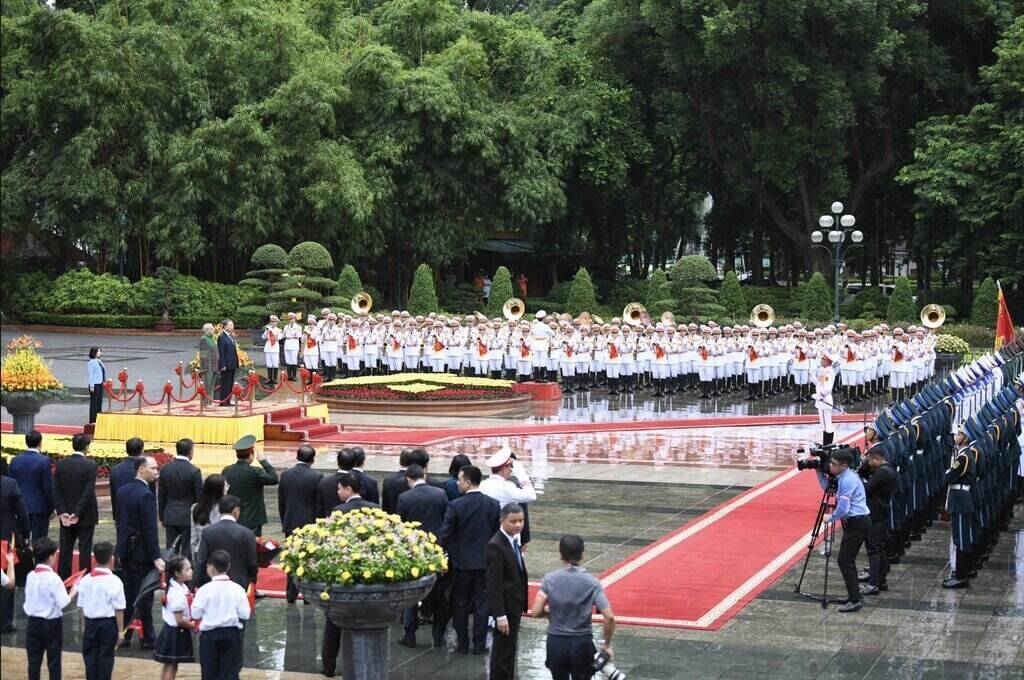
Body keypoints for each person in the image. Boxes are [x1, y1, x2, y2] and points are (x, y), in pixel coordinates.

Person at [530, 535, 616, 680]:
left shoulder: (549, 578)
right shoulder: (592, 582)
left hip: (556, 642)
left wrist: (549, 612)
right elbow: (609, 617)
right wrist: (606, 644)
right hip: (581, 643)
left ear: (561, 555)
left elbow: (535, 611)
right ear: (583, 554)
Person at [320, 473, 381, 676]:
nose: (337, 492)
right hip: (368, 571)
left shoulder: (339, 510)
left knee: (334, 621)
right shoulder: (374, 509)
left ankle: (328, 665)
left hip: (342, 571)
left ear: (348, 489)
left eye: (339, 489)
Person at [439, 465, 500, 655]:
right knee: (482, 604)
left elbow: (445, 534)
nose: (458, 483)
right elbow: (495, 534)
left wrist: (442, 556)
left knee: (460, 603)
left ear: (467, 481)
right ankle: (479, 645)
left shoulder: (456, 505)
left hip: (461, 563)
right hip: (484, 562)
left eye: (460, 479)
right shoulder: (493, 504)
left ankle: (463, 643)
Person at [396, 464, 449, 648]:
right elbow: (445, 520)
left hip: (413, 551)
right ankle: (438, 636)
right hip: (435, 549)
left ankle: (409, 635)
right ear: (424, 475)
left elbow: (400, 526)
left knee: (411, 594)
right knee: (438, 595)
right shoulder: (440, 494)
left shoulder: (404, 497)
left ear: (408, 479)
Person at [115, 456, 164, 648]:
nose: (156, 472)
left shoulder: (122, 491)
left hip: (125, 549)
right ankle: (148, 637)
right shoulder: (146, 495)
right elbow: (149, 530)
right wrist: (156, 557)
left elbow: (120, 521)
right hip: (141, 553)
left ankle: (125, 634)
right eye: (153, 468)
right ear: (141, 469)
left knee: (128, 593)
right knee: (144, 595)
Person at [817, 449, 870, 612]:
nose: (830, 466)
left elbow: (844, 507)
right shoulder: (844, 477)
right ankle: (853, 596)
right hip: (856, 521)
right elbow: (829, 489)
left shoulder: (848, 480)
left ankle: (855, 599)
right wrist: (819, 472)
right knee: (847, 560)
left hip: (857, 521)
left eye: (833, 464)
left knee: (845, 560)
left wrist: (831, 517)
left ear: (844, 465)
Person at [191, 549, 251, 680]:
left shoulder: (204, 590)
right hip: (231, 634)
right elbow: (245, 614)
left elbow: (195, 614)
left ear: (211, 567)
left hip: (209, 636)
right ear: (228, 566)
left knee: (209, 673)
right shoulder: (237, 589)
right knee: (230, 673)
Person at [24, 536, 77, 680]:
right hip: (51, 624)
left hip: (33, 623)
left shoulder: (30, 576)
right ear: (51, 556)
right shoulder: (54, 578)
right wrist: (72, 592)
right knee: (54, 662)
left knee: (33, 662)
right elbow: (63, 602)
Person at [486, 503, 529, 680]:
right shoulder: (496, 545)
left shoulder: (513, 541)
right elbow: (493, 584)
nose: (518, 525)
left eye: (521, 521)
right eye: (513, 521)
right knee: (502, 653)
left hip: (514, 605)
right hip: (505, 608)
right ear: (502, 520)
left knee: (510, 650)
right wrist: (500, 614)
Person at [278, 446, 321, 602]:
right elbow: (318, 503)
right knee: (308, 560)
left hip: (290, 522)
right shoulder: (317, 476)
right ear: (312, 459)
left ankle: (291, 594)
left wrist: (285, 521)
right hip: (310, 524)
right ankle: (308, 597)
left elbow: (281, 502)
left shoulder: (286, 475)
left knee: (292, 560)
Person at [77, 541, 126, 680]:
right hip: (108, 625)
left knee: (90, 659)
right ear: (111, 559)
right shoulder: (115, 581)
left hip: (91, 623)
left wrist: (84, 626)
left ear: (94, 558)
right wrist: (120, 630)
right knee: (106, 659)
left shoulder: (85, 580)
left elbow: (82, 607)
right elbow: (119, 609)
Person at [53, 433, 98, 579]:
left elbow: (56, 489)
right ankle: (84, 581)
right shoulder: (91, 465)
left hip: (65, 515)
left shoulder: (61, 464)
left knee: (65, 550)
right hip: (85, 514)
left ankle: (63, 580)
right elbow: (87, 492)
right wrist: (77, 513)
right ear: (86, 447)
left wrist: (62, 511)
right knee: (85, 550)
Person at [194, 496, 257, 591]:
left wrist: (197, 583)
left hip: (212, 583)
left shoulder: (208, 531)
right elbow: (252, 562)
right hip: (239, 584)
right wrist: (252, 581)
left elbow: (201, 560)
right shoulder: (247, 533)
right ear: (236, 510)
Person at [221, 435, 278, 536]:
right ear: (251, 454)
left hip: (233, 517)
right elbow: (274, 478)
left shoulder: (227, 471)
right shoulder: (255, 472)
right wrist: (263, 461)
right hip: (252, 520)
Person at [858, 447, 896, 596]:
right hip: (881, 512)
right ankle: (880, 580)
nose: (868, 463)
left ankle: (873, 583)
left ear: (876, 459)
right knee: (879, 548)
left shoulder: (882, 472)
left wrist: (859, 475)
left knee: (874, 549)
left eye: (869, 461)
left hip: (876, 514)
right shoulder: (888, 470)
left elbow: (866, 489)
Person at [154, 555, 196, 679]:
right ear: (177, 573)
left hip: (171, 631)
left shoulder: (179, 587)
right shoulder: (177, 593)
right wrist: (193, 626)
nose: (191, 571)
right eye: (187, 569)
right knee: (172, 666)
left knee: (169, 664)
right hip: (175, 633)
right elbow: (179, 620)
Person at [159, 438, 203, 554]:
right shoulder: (194, 471)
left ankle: (170, 571)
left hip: (170, 514)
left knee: (171, 549)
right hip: (188, 516)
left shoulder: (165, 469)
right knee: (186, 550)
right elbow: (199, 497)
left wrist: (162, 516)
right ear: (190, 452)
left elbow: (161, 495)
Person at [9, 430, 53, 540]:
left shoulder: (15, 460)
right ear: (40, 443)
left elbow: (10, 484)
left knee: (20, 540)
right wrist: (51, 507)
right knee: (39, 541)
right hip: (39, 507)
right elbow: (47, 487)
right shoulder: (44, 461)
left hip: (18, 506)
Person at [0, 471, 29, 634]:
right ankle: (4, 622)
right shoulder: (10, 484)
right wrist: (25, 534)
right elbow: (22, 512)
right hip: (5, 537)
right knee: (6, 576)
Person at [109, 437, 150, 524]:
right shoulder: (146, 470)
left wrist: (116, 516)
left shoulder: (115, 470)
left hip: (121, 517)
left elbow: (113, 495)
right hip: (141, 517)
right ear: (142, 450)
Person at [190, 474, 228, 559]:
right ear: (218, 489)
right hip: (219, 554)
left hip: (199, 551)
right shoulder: (225, 508)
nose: (227, 488)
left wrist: (193, 557)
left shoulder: (196, 507)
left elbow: (194, 537)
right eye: (225, 486)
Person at [382, 448, 416, 513]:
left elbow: (385, 506)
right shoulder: (417, 479)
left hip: (394, 519)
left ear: (400, 462)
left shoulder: (388, 480)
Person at [815, 353, 837, 445]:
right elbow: (820, 384)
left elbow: (827, 388)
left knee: (826, 424)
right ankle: (826, 445)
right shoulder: (825, 371)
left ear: (826, 361)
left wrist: (819, 395)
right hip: (823, 400)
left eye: (822, 359)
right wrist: (812, 377)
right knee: (825, 424)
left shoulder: (828, 372)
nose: (821, 361)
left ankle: (827, 445)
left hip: (824, 400)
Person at [217, 319, 239, 406]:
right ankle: (223, 401)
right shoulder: (222, 337)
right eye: (230, 325)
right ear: (225, 326)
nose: (232, 326)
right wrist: (223, 365)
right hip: (226, 364)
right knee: (225, 383)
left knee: (230, 383)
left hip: (232, 363)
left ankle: (228, 400)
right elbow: (221, 352)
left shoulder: (231, 336)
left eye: (232, 325)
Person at [197, 324, 219, 404]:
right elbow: (203, 354)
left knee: (211, 385)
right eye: (212, 329)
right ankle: (205, 401)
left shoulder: (212, 338)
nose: (214, 330)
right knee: (207, 385)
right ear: (208, 330)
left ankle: (210, 400)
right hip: (208, 366)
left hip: (214, 365)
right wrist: (205, 367)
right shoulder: (204, 339)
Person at [86, 347, 106, 424]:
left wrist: (104, 381)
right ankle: (92, 421)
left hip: (100, 383)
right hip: (94, 384)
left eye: (100, 351)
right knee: (94, 403)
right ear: (94, 353)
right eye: (98, 351)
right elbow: (91, 375)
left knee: (99, 402)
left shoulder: (99, 361)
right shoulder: (91, 363)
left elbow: (102, 372)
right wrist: (91, 386)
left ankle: (98, 419)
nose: (100, 353)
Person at [261, 316, 282, 386]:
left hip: (275, 348)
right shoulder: (267, 329)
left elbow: (279, 338)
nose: (272, 323)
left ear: (276, 323)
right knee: (269, 363)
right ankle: (269, 378)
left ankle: (275, 378)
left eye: (274, 322)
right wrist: (267, 331)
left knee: (275, 363)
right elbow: (263, 337)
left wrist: (272, 331)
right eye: (271, 321)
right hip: (268, 347)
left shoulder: (279, 330)